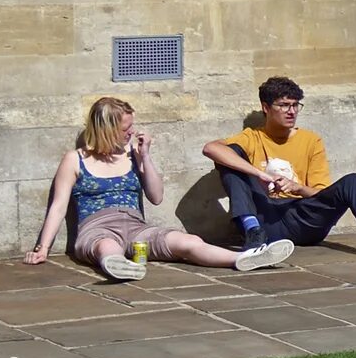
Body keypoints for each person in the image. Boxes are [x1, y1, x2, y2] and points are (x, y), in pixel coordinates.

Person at [27, 97, 294, 280]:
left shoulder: (132, 155)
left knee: (186, 241)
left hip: (135, 227)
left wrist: (145, 157)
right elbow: (58, 206)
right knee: (106, 246)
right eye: (125, 128)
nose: (131, 132)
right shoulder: (76, 159)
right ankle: (115, 266)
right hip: (96, 229)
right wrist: (43, 248)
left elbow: (156, 197)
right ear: (106, 130)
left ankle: (244, 258)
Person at [200, 77, 356, 261]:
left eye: (295, 105)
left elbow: (321, 194)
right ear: (266, 108)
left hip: (303, 218)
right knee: (230, 162)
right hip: (266, 218)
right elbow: (211, 149)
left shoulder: (311, 141)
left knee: (353, 181)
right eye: (284, 105)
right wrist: (259, 175)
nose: (291, 111)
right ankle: (253, 234)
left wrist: (297, 188)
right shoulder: (252, 137)